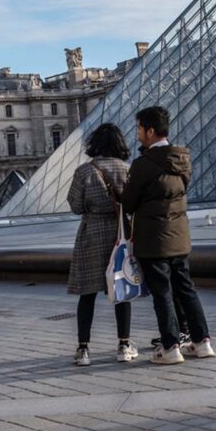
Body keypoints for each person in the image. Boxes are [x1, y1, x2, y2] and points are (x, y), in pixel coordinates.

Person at [122, 106, 214, 365]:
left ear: (150, 131)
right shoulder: (182, 159)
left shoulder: (143, 165)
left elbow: (128, 203)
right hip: (180, 236)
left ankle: (171, 346)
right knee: (186, 289)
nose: (138, 133)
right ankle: (202, 342)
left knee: (162, 293)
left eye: (140, 128)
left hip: (153, 240)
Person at [66, 123, 136, 366]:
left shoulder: (85, 171)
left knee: (87, 293)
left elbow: (75, 206)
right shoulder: (127, 169)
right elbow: (134, 203)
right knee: (121, 292)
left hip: (91, 234)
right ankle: (124, 345)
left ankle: (83, 349)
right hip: (119, 233)